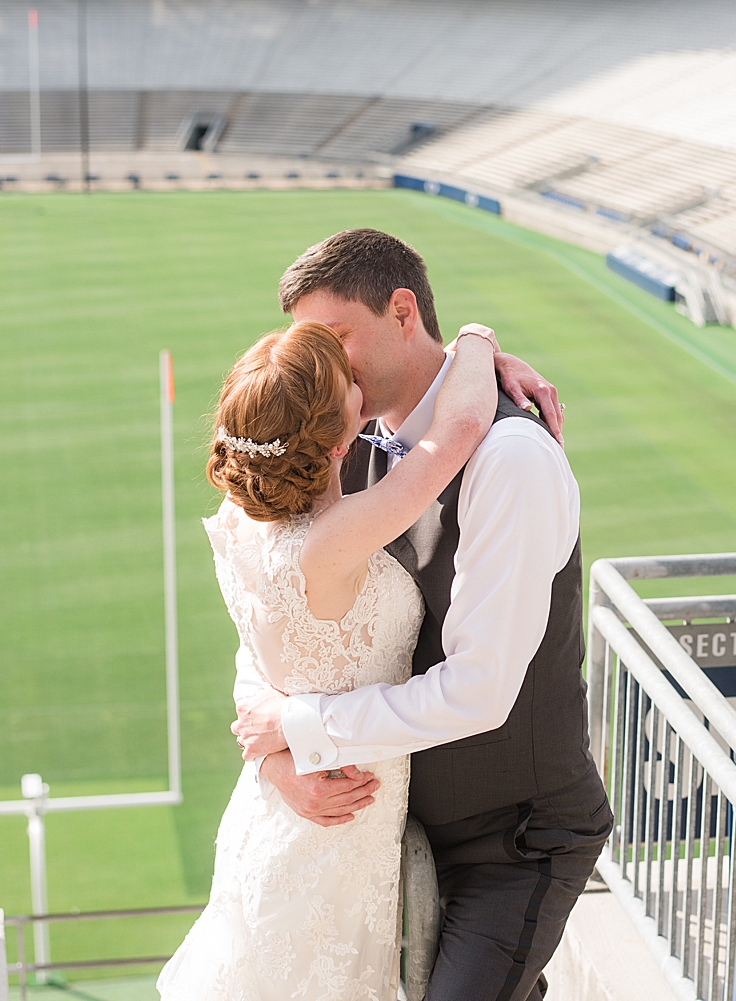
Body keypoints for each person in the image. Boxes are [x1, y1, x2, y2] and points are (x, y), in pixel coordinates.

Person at [229, 229, 612, 1001]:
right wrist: (277, 758)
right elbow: (270, 619)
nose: (326, 368)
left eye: (336, 339)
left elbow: (479, 690)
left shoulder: (512, 459)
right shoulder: (343, 444)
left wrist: (303, 728)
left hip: (515, 841)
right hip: (397, 829)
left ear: (403, 312)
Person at [157, 317, 540, 999]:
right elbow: (455, 434)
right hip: (331, 838)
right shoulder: (334, 539)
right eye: (351, 387)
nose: (361, 381)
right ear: (339, 442)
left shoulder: (240, 520)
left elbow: (264, 670)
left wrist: (278, 756)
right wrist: (476, 340)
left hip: (286, 810)